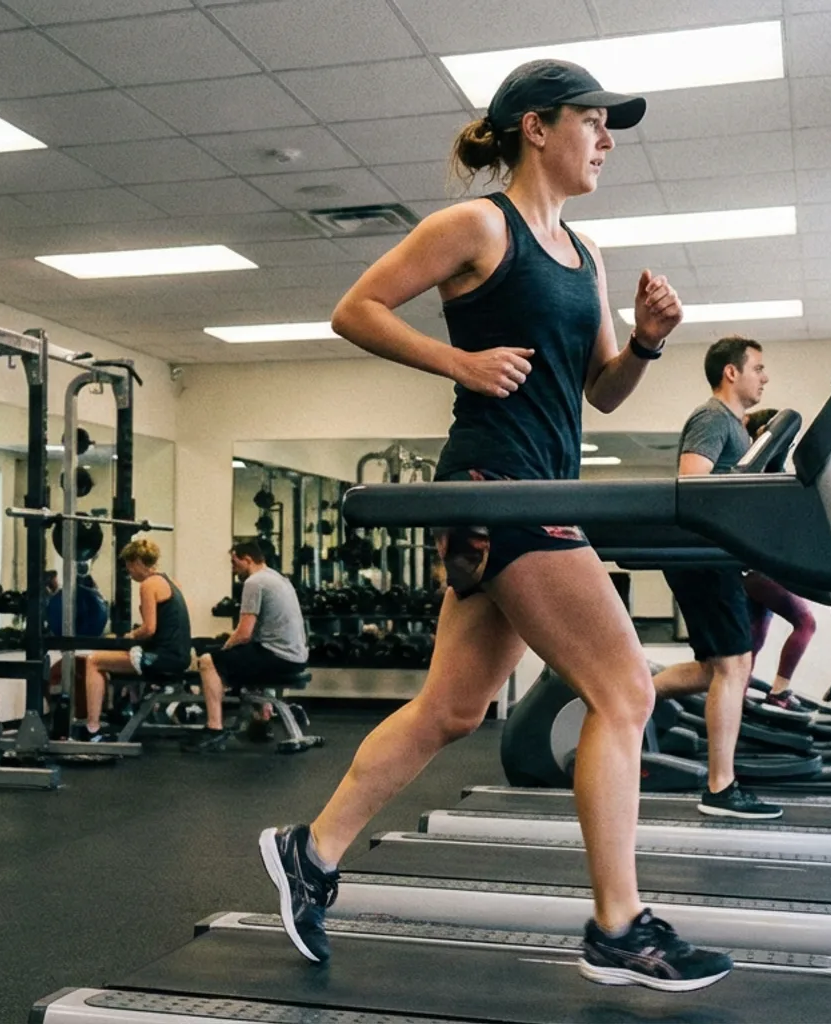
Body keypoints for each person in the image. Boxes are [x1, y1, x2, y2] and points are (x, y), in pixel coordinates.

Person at [257, 59, 733, 992]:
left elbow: (599, 389)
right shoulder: (478, 224)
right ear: (536, 128)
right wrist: (457, 364)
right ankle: (619, 924)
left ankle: (310, 852)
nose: (606, 141)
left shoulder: (585, 256)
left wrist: (644, 340)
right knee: (626, 691)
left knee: (452, 710)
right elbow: (355, 309)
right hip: (495, 484)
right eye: (594, 122)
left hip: (540, 491)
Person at [650, 337, 783, 821]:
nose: (765, 378)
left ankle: (629, 695)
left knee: (719, 668)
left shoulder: (740, 430)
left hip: (714, 556)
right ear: (732, 372)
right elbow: (693, 483)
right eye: (759, 368)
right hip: (701, 555)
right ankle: (720, 788)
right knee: (733, 665)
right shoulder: (713, 419)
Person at [188, 539, 307, 753]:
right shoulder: (278, 578)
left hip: (278, 657)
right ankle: (261, 720)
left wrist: (222, 651)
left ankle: (214, 728)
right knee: (237, 657)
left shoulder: (254, 583)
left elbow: (243, 634)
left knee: (208, 661)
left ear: (247, 559)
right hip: (296, 657)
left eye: (235, 563)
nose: (233, 570)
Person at [741, 411, 817, 710]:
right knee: (806, 622)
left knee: (753, 639)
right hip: (760, 570)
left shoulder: (765, 468)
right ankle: (780, 691)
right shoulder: (765, 468)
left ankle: (738, 696)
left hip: (758, 569)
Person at [77, 540, 190, 739]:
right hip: (179, 656)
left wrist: (129, 636)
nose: (129, 571)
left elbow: (149, 629)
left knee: (93, 661)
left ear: (138, 561)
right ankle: (120, 708)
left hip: (162, 658)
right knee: (114, 657)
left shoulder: (148, 584)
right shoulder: (171, 582)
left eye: (129, 565)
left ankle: (92, 728)